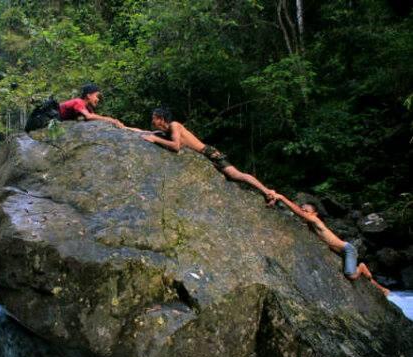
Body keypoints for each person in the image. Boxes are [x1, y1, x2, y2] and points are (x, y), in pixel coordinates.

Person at [127, 107, 276, 202]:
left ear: (161, 118)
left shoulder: (174, 126)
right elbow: (146, 132)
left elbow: (176, 147)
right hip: (205, 155)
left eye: (154, 117)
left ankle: (267, 191)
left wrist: (154, 140)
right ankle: (266, 192)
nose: (152, 120)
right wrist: (124, 127)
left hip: (209, 153)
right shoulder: (165, 131)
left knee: (236, 175)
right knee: (234, 177)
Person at [271, 193, 390, 296]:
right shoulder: (309, 226)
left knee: (351, 275)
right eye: (303, 210)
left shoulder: (317, 221)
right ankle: (382, 289)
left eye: (307, 211)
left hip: (347, 250)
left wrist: (281, 197)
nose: (303, 212)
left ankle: (362, 267)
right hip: (340, 251)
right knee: (359, 276)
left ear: (315, 214)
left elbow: (297, 212)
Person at [59, 84, 124, 128]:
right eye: (97, 96)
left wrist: (129, 128)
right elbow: (89, 116)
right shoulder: (78, 102)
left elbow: (95, 117)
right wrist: (111, 120)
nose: (98, 99)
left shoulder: (87, 107)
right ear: (88, 96)